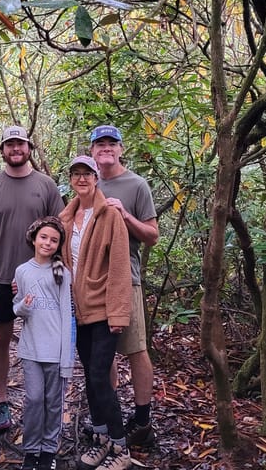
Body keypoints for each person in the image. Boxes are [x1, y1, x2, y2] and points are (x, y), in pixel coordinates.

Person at [0, 125, 64, 433]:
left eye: (20, 144)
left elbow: (59, 230)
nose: (15, 149)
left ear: (29, 147)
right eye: (9, 144)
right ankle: (0, 401)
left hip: (40, 277)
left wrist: (55, 273)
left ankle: (40, 404)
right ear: (2, 149)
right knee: (0, 337)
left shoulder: (46, 185)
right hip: (0, 278)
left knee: (42, 340)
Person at [59, 155, 133, 470]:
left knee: (101, 376)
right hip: (78, 311)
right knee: (90, 376)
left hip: (104, 309)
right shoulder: (65, 217)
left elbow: (119, 267)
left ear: (95, 177)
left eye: (86, 173)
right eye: (76, 174)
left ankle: (121, 449)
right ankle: (101, 438)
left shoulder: (110, 216)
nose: (82, 179)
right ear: (72, 180)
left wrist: (118, 314)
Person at [90, 125, 159, 448]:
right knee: (104, 354)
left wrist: (126, 215)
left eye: (110, 144)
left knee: (135, 348)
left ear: (120, 149)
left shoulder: (136, 185)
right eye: (99, 144)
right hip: (93, 283)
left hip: (125, 279)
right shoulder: (88, 182)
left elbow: (152, 236)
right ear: (92, 151)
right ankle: (113, 414)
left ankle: (142, 417)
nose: (105, 149)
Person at [13, 217, 74, 470]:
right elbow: (17, 308)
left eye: (54, 240)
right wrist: (24, 306)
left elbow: (66, 315)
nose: (48, 243)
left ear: (59, 245)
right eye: (44, 237)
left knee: (54, 402)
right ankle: (31, 451)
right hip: (31, 349)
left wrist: (67, 357)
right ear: (34, 239)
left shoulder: (63, 273)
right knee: (34, 399)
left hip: (56, 351)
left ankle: (48, 451)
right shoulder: (22, 271)